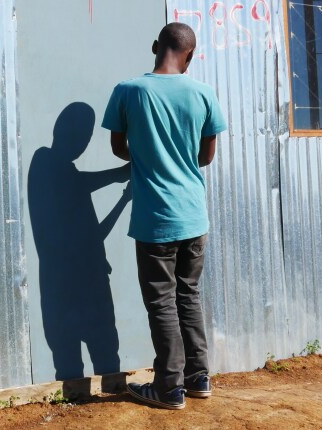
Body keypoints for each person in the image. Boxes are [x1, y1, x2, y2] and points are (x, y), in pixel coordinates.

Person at [101, 22, 227, 410]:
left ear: (155, 46)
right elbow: (206, 157)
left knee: (161, 302)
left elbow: (119, 148)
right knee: (188, 295)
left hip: (156, 219)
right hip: (194, 217)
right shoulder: (204, 93)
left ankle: (169, 388)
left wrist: (147, 158)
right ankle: (198, 376)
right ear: (189, 56)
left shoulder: (128, 91)